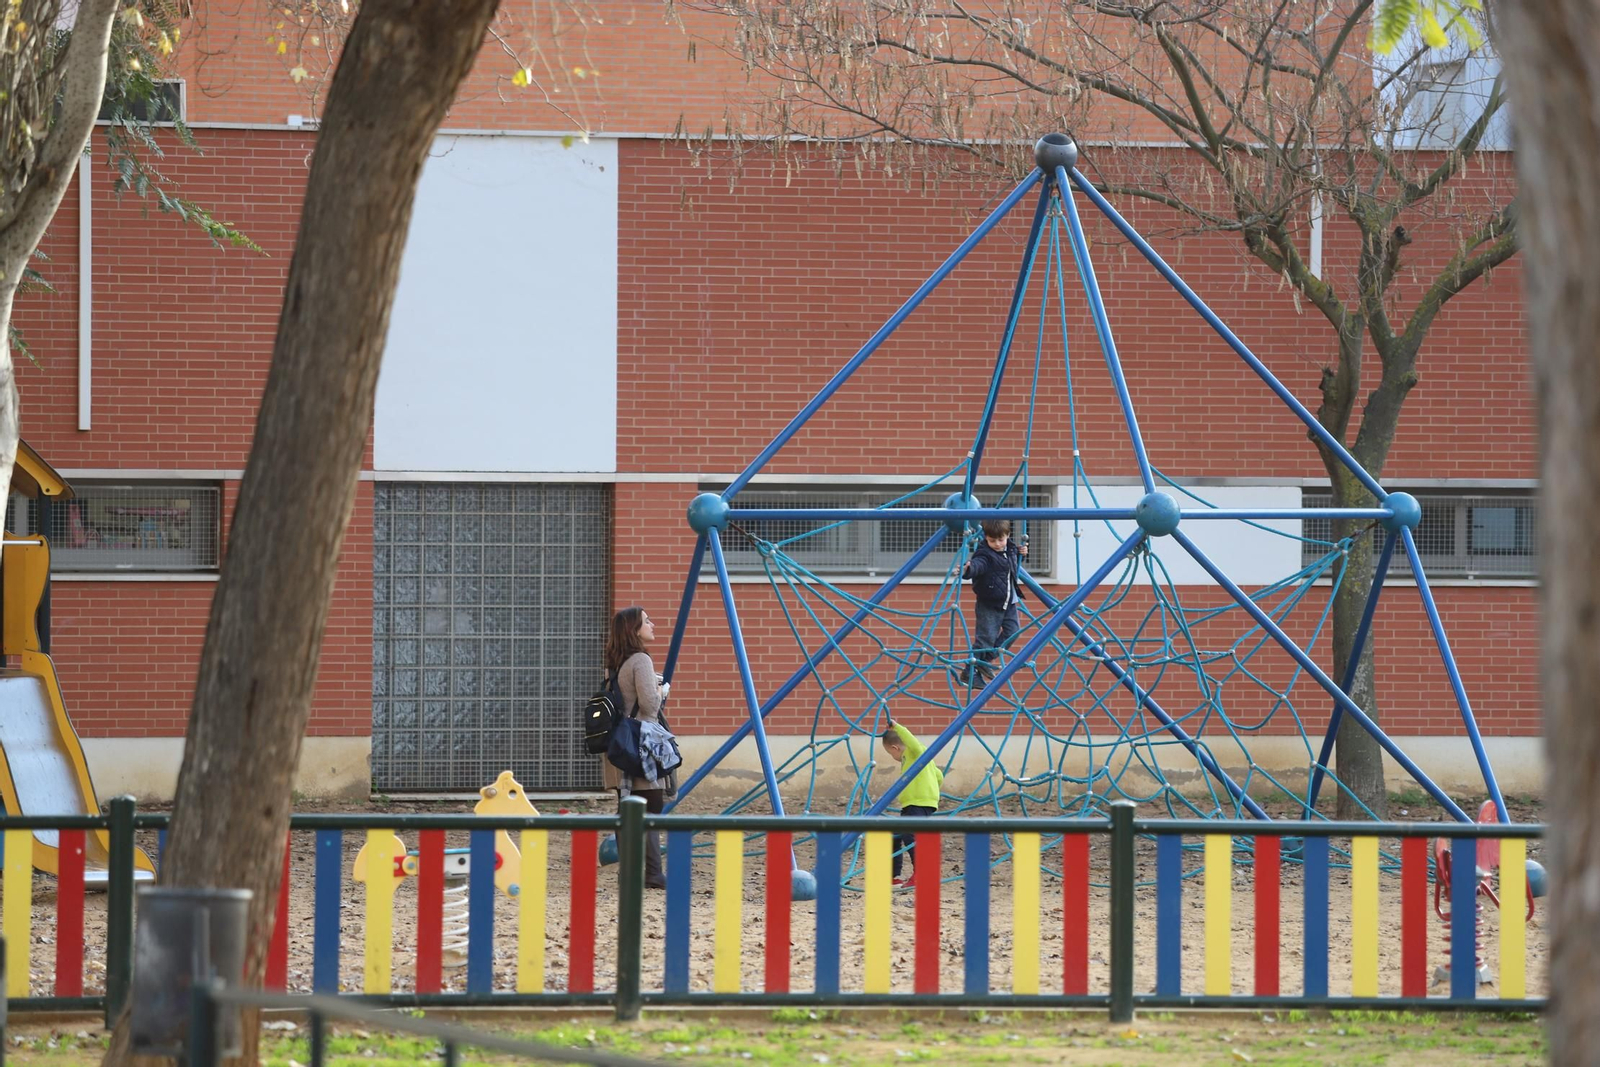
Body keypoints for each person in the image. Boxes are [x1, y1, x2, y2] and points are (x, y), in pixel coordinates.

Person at [602, 605, 670, 888]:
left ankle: (630, 872)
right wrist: (661, 690)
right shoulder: (641, 660)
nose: (652, 624)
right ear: (634, 630)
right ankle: (652, 873)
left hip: (619, 744)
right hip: (640, 744)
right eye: (646, 621)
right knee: (650, 807)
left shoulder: (615, 663)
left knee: (627, 808)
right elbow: (650, 706)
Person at [962, 518, 1028, 686]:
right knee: (985, 638)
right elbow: (979, 564)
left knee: (1013, 632)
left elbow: (1011, 561)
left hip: (1009, 601)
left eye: (1001, 539)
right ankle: (970, 671)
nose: (997, 544)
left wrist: (1021, 552)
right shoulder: (985, 554)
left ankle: (985, 661)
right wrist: (969, 569)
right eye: (992, 540)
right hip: (989, 603)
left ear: (1008, 535)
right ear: (986, 538)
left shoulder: (1010, 549)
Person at [880, 719, 943, 885]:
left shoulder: (915, 753)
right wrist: (932, 789)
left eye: (890, 753)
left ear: (895, 748)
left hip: (919, 803)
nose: (893, 757)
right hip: (913, 804)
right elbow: (939, 776)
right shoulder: (919, 760)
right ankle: (893, 876)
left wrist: (897, 727)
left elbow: (914, 744)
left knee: (910, 834)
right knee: (895, 834)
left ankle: (922, 872)